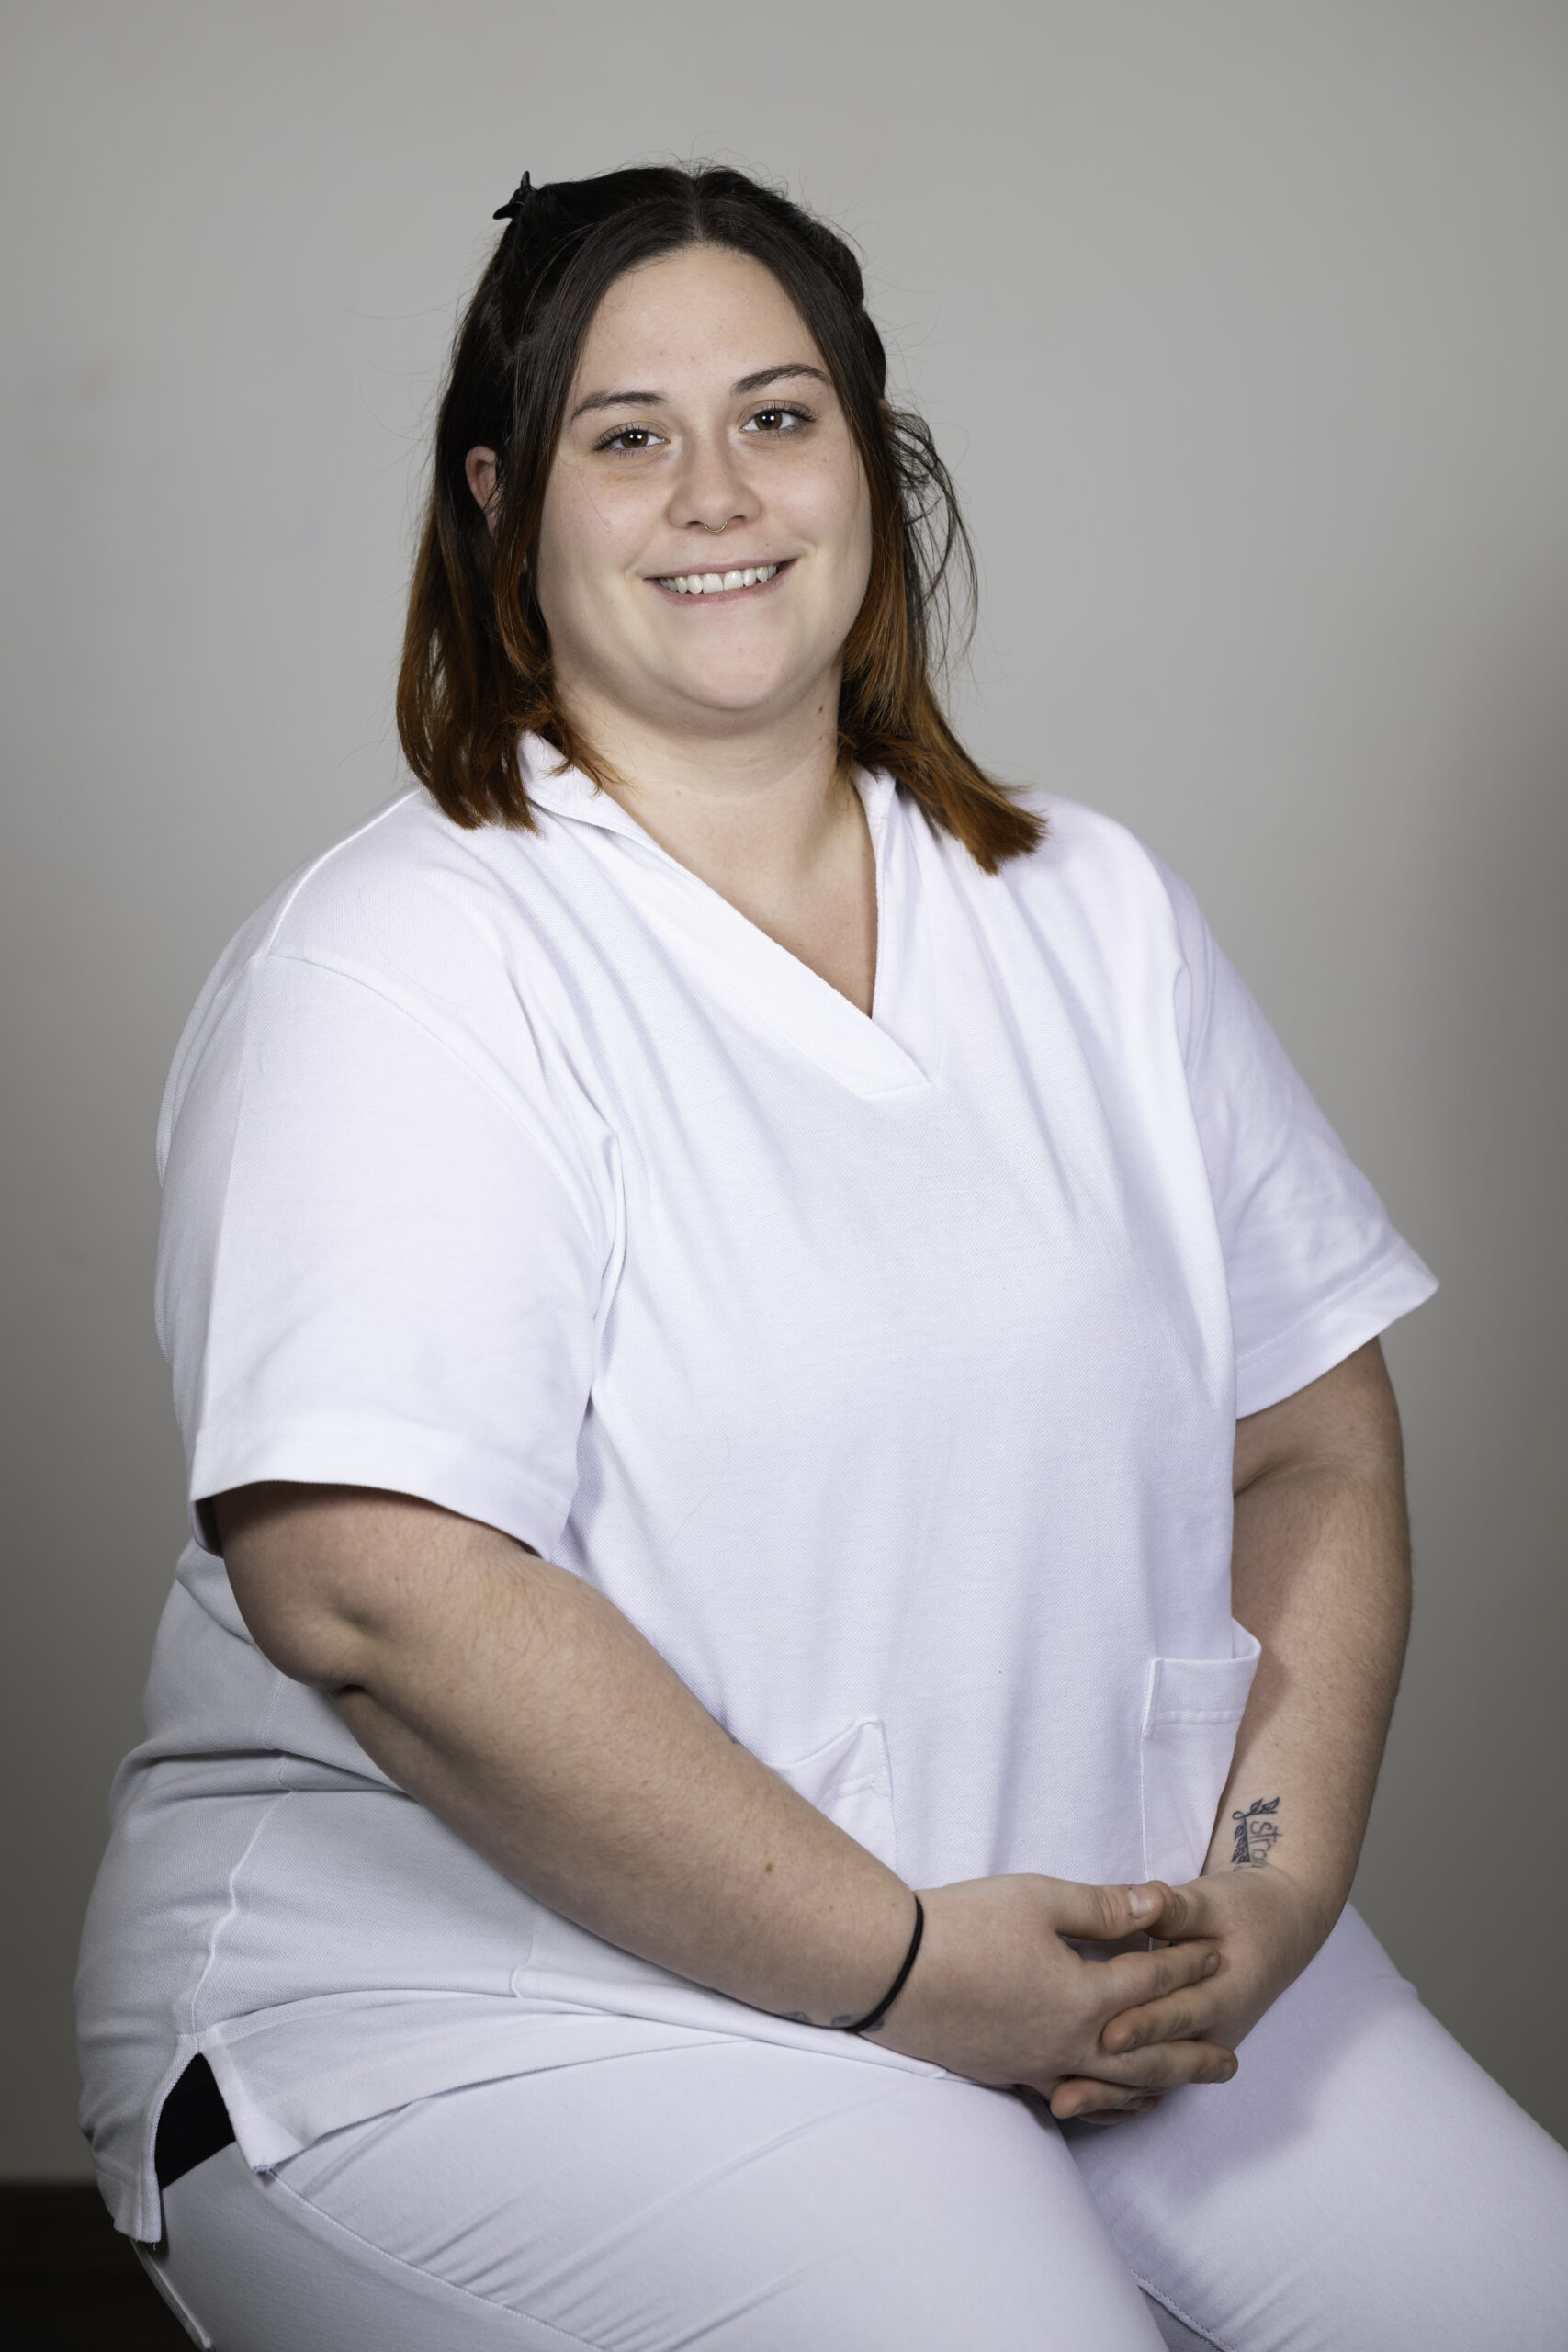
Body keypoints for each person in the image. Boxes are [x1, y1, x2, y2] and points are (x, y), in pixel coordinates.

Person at [76, 164, 1567, 2352]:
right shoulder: (401, 961)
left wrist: (1264, 1890)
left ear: (867, 462)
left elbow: (1309, 1443)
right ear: (502, 501)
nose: (715, 492)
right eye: (625, 434)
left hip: (1100, 1938)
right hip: (490, 2004)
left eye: (776, 417)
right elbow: (369, 1587)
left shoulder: (1087, 909)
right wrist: (898, 1964)